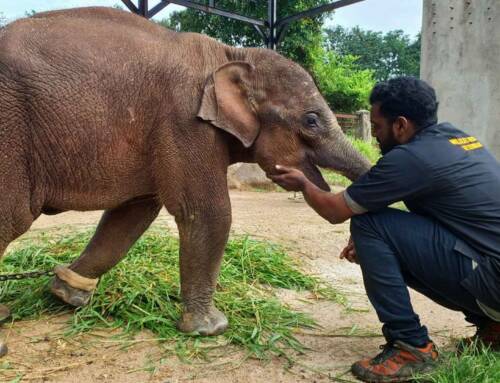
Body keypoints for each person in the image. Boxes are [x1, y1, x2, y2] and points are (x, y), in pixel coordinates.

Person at [270, 76, 500, 383]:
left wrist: (303, 183)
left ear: (401, 125)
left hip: (494, 278)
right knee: (377, 232)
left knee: (369, 223)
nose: (375, 135)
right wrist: (375, 249)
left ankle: (410, 346)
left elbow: (335, 210)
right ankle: (494, 327)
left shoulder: (410, 159)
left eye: (378, 126)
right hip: (490, 264)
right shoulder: (455, 138)